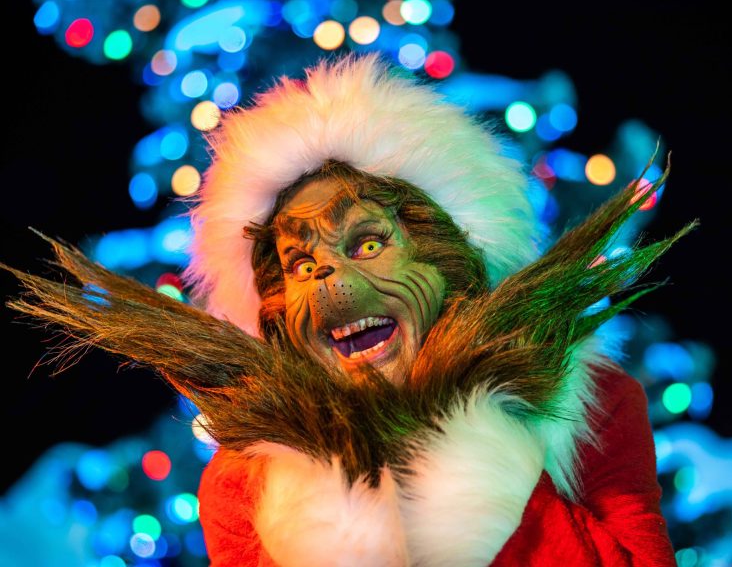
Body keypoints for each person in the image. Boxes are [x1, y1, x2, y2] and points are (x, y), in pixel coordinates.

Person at [5, 53, 686, 565]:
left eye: (367, 240)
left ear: (454, 263)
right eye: (300, 264)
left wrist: (479, 476)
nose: (327, 273)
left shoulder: (593, 404)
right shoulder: (244, 485)